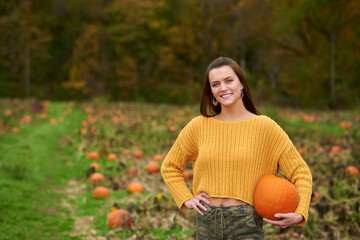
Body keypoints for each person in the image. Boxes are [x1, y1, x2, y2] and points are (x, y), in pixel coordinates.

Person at [161, 56, 312, 239]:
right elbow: (170, 166)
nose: (223, 88)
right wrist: (186, 198)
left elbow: (300, 172)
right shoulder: (199, 126)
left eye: (228, 80)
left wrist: (300, 212)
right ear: (211, 92)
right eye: (215, 84)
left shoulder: (265, 127)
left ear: (241, 84)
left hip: (246, 223)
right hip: (207, 221)